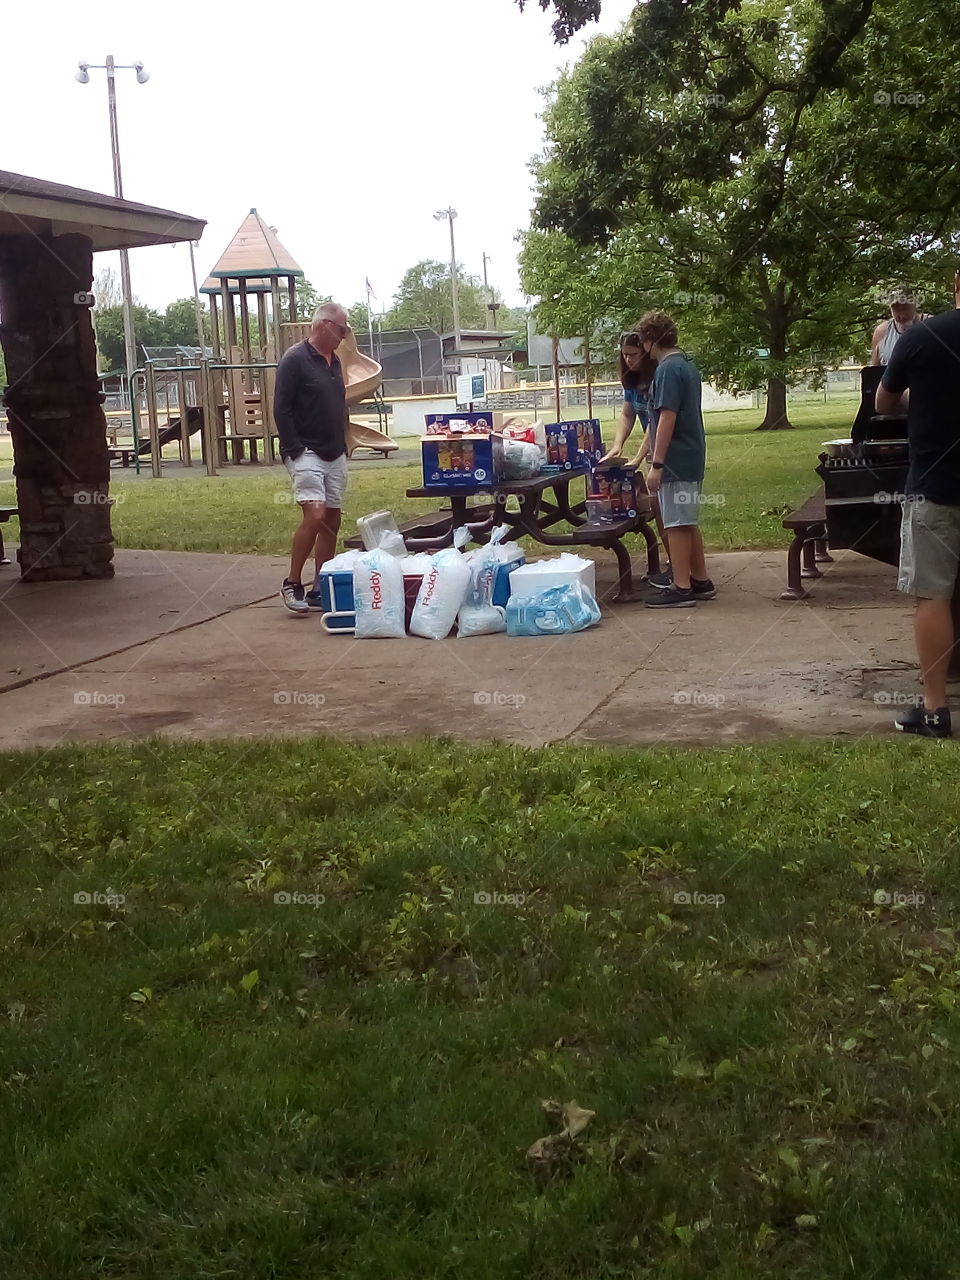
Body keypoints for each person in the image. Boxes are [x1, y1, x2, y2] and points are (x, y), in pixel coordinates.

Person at [875, 270, 960, 737]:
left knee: (934, 595)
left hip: (936, 485)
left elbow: (884, 404)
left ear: (956, 283)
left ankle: (934, 709)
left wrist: (917, 393)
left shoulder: (922, 337)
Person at [630, 310, 714, 608]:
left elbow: (666, 417)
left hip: (675, 458)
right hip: (690, 452)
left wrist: (656, 464)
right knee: (687, 520)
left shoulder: (666, 370)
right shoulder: (686, 364)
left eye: (643, 341)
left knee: (676, 522)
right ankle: (700, 579)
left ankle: (681, 586)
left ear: (652, 339)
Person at [274, 302, 350, 615]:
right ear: (324, 325)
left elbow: (338, 404)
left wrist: (345, 443)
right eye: (342, 330)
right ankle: (293, 582)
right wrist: (295, 448)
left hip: (334, 450)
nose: (344, 337)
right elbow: (281, 408)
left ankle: (322, 584)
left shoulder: (335, 363)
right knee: (315, 514)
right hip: (306, 451)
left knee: (332, 516)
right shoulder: (294, 360)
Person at [599, 331, 670, 569]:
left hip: (666, 450)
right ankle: (672, 561)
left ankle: (678, 564)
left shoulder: (657, 377)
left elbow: (655, 424)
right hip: (653, 452)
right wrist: (617, 444)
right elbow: (628, 414)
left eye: (634, 354)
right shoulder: (632, 380)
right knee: (656, 505)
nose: (629, 360)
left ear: (646, 352)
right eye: (625, 355)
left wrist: (639, 457)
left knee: (665, 505)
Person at [871, 287, 930, 366]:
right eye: (896, 309)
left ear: (915, 304)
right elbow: (874, 372)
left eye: (905, 308)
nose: (902, 315)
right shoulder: (881, 332)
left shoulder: (931, 325)